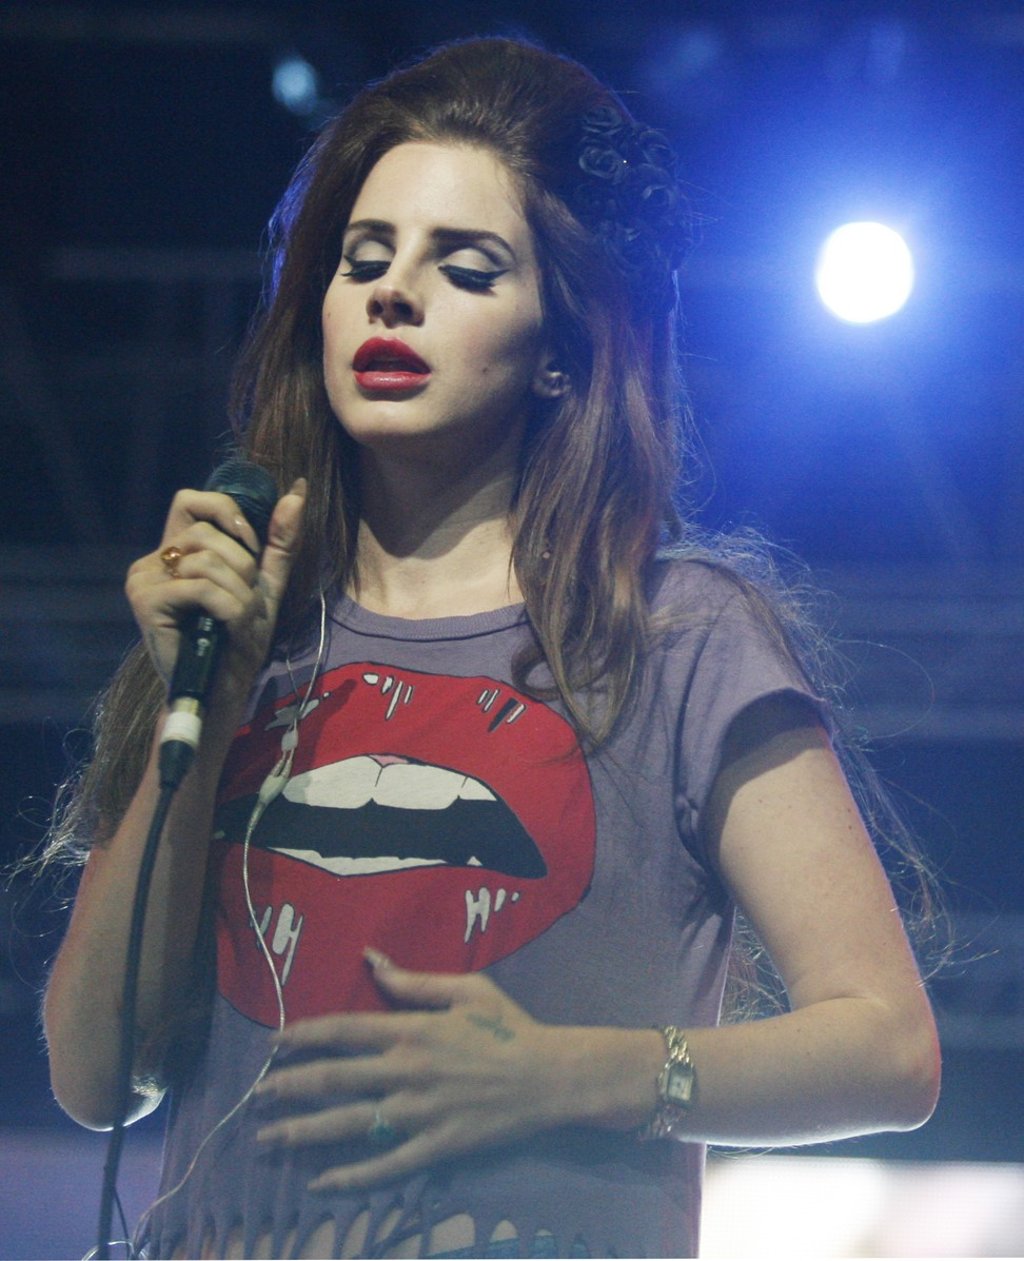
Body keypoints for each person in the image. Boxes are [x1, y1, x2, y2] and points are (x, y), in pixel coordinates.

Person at [42, 36, 941, 1260]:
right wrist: (199, 699)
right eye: (363, 259)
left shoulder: (676, 635)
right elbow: (96, 1077)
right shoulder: (246, 629)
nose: (392, 293)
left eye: (465, 268)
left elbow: (887, 1046)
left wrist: (569, 1073)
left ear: (562, 348)